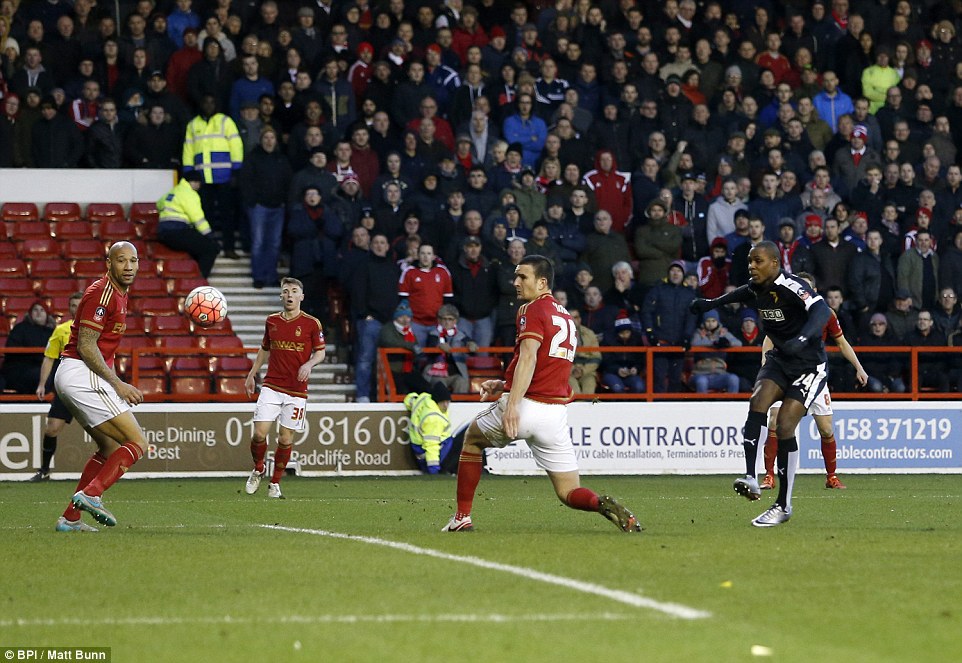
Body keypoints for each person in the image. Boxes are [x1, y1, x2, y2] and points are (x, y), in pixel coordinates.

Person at [441, 255, 641, 533]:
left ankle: (462, 517)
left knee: (472, 441)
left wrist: (512, 403)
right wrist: (504, 383)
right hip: (554, 415)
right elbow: (547, 364)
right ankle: (599, 503)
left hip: (525, 405)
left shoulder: (531, 309)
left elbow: (529, 359)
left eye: (523, 277)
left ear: (542, 282)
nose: (516, 282)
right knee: (569, 491)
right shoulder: (567, 318)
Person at [690, 241, 834, 527]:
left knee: (784, 426)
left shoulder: (791, 286)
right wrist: (711, 304)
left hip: (808, 366)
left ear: (775, 264)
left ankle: (783, 504)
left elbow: (822, 311)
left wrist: (803, 339)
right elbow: (741, 293)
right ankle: (749, 477)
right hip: (780, 360)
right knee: (757, 403)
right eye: (749, 261)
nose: (751, 266)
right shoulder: (757, 288)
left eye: (757, 261)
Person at [53, 242, 147, 532]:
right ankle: (92, 494)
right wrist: (117, 383)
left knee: (108, 446)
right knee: (138, 443)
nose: (129, 266)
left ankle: (70, 519)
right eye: (121, 261)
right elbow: (86, 345)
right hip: (80, 371)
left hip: (72, 374)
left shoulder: (120, 294)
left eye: (133, 261)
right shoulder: (103, 293)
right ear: (109, 264)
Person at [759, 273, 868, 492]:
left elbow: (842, 342)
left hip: (813, 374)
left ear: (814, 291)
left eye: (805, 288)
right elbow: (768, 340)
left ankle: (832, 477)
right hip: (785, 374)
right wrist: (765, 366)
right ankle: (769, 476)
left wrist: (859, 367)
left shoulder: (826, 314)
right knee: (774, 422)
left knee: (826, 429)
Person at [244, 278, 326, 500]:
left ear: (301, 296)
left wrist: (309, 364)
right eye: (286, 291)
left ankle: (275, 483)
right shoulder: (271, 321)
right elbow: (264, 349)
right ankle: (259, 468)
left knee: (285, 439)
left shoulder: (312, 323)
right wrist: (252, 374)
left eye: (294, 291)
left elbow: (321, 352)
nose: (289, 294)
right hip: (272, 385)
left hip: (296, 390)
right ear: (281, 296)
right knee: (259, 433)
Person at [30, 291, 83, 482]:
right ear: (69, 308)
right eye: (73, 306)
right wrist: (42, 384)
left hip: (90, 388)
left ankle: (112, 471)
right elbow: (49, 358)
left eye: (80, 305)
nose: (76, 309)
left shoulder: (97, 330)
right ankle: (44, 470)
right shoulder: (61, 330)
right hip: (66, 389)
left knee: (106, 433)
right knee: (51, 429)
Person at [155, 171, 221, 278]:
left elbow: (159, 204)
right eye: (199, 183)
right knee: (210, 249)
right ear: (194, 182)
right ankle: (199, 281)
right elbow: (198, 219)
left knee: (197, 246)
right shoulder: (190, 194)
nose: (199, 187)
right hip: (178, 231)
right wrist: (209, 236)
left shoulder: (173, 191)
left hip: (163, 232)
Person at [1, 300, 53, 394]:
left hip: (43, 368)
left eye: (42, 310)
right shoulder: (20, 329)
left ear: (47, 315)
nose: (38, 313)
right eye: (35, 310)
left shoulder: (52, 332)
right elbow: (11, 352)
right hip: (20, 370)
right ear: (30, 313)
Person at [403, 382, 456, 474]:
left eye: (447, 402)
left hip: (418, 449)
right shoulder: (434, 418)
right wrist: (433, 469)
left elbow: (409, 400)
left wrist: (412, 398)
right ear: (436, 401)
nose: (446, 405)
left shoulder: (423, 399)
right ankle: (442, 470)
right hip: (426, 453)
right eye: (443, 402)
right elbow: (431, 445)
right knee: (457, 441)